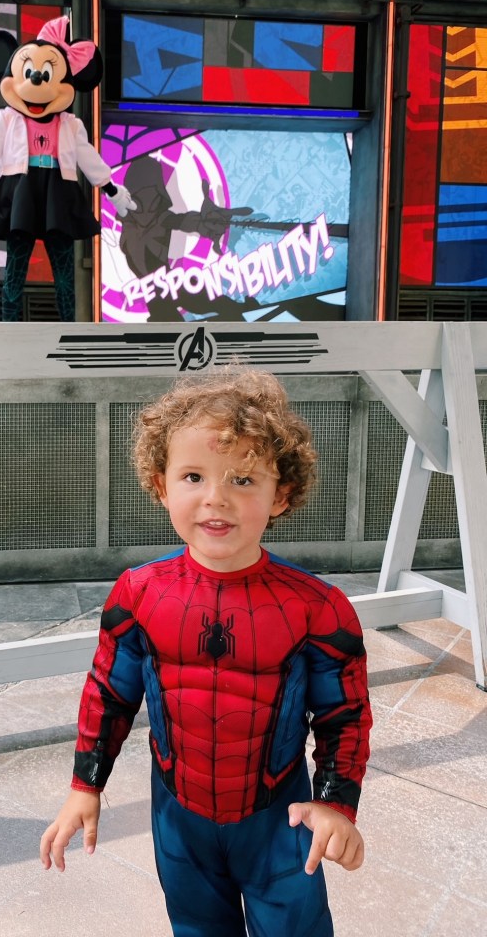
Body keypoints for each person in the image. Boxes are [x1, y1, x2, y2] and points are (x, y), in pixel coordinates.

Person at [39, 368, 372, 937]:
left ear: (281, 494)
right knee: (196, 927)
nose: (216, 497)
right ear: (161, 485)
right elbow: (109, 695)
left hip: (281, 820)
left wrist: (335, 804)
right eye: (193, 476)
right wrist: (84, 785)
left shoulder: (318, 607)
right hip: (178, 818)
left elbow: (344, 715)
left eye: (243, 479)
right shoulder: (137, 595)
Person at [0, 15, 135, 322]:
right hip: (21, 190)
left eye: (47, 74)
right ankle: (8, 327)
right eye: (30, 72)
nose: (37, 80)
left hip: (58, 191)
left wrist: (111, 190)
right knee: (16, 266)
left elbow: (88, 158)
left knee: (64, 269)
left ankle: (69, 327)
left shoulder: (70, 124)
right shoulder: (9, 119)